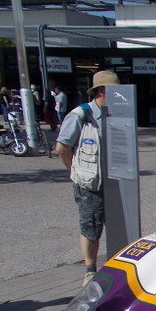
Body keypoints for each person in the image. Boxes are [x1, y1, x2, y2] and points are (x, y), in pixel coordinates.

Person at [56, 70, 120, 286]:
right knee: (91, 228)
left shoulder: (119, 114)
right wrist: (75, 172)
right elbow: (62, 147)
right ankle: (90, 270)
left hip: (116, 183)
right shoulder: (80, 116)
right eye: (115, 90)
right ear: (102, 91)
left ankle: (116, 267)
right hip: (90, 184)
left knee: (119, 227)